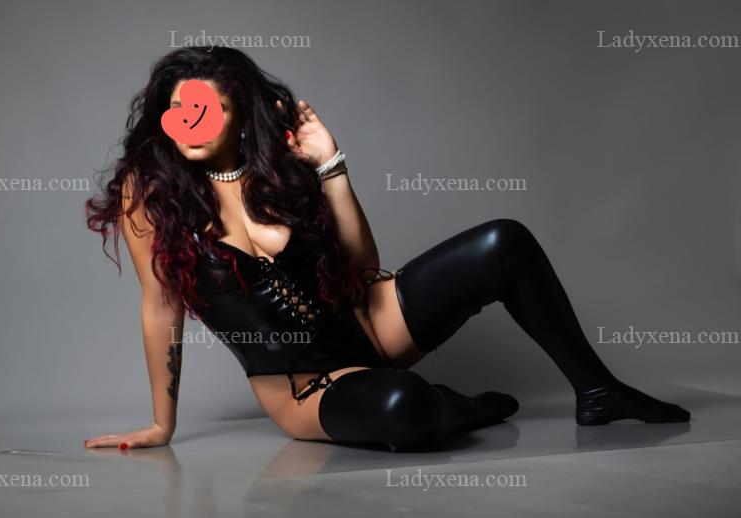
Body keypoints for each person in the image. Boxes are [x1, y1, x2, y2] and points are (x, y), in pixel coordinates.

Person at [84, 47, 689, 453]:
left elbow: (363, 268)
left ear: (241, 114)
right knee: (403, 408)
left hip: (371, 326)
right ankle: (457, 407)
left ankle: (598, 392)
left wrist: (330, 167)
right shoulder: (151, 193)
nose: (188, 122)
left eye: (205, 109)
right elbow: (160, 305)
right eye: (176, 110)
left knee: (505, 241)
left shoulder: (276, 171)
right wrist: (163, 424)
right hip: (307, 388)